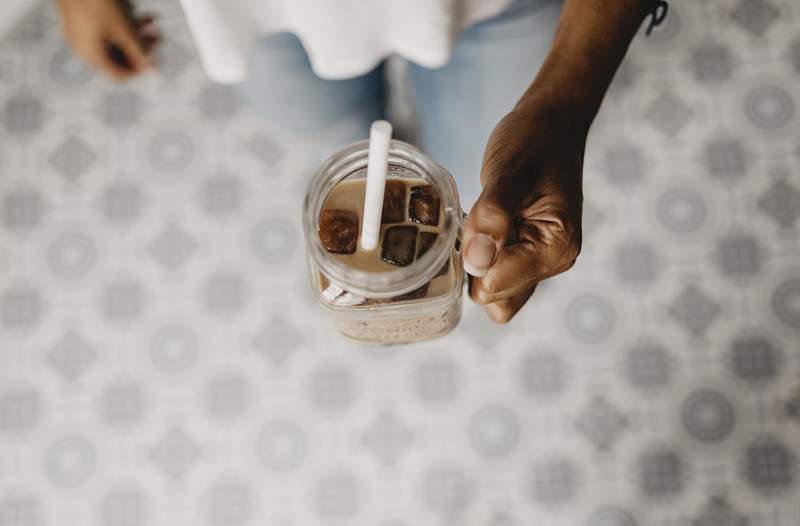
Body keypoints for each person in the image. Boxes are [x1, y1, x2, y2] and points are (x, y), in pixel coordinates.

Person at [55, 0, 666, 324]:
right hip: (260, 13)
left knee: (471, 160)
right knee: (327, 137)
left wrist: (562, 105)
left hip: (498, 7)